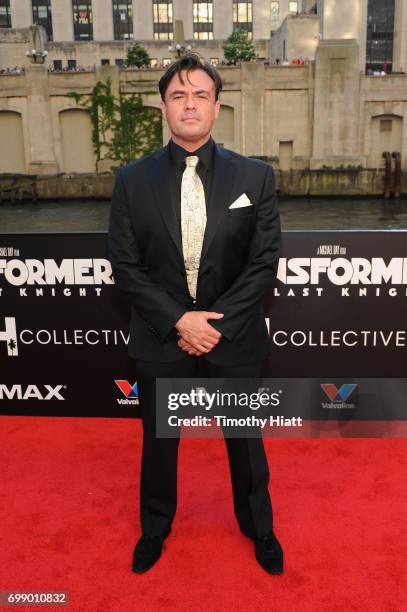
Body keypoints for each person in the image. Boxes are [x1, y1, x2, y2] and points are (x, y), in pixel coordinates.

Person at [108, 53, 283, 575]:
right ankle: (155, 528)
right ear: (164, 106)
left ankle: (260, 527)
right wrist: (179, 321)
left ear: (216, 106)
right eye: (179, 95)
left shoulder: (255, 175)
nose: (190, 104)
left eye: (200, 95)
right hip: (162, 336)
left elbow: (263, 259)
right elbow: (125, 263)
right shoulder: (131, 180)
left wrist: (213, 324)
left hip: (232, 337)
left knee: (245, 442)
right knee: (160, 443)